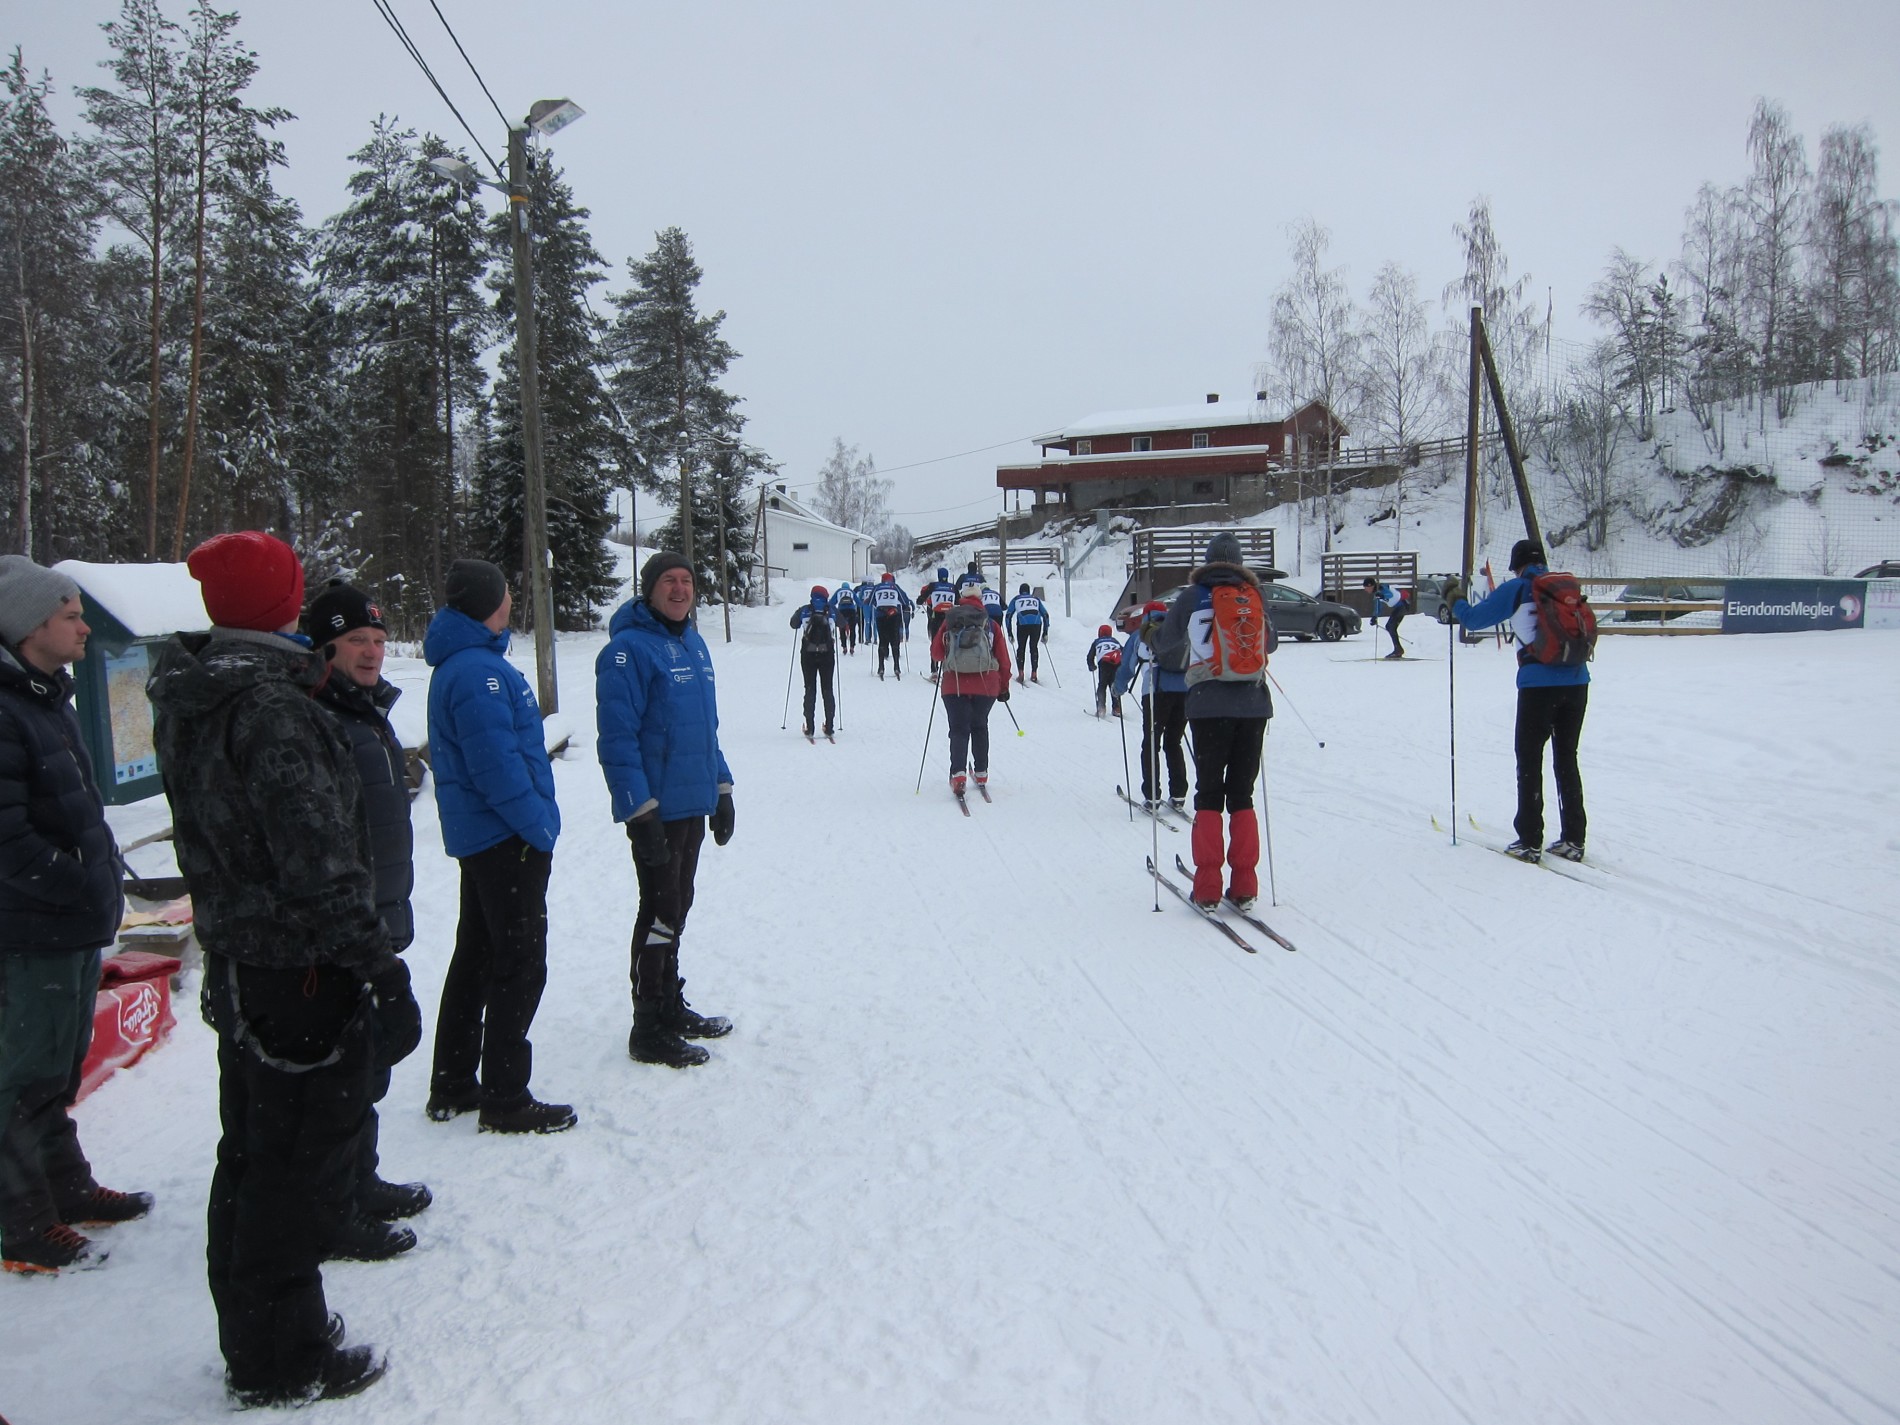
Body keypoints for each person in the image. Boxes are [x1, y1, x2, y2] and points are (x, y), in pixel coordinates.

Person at [149, 531, 411, 1406]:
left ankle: (256, 1335)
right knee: (290, 1166)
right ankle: (283, 1353)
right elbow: (317, 860)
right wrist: (379, 967)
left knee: (254, 1154)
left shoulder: (199, 690)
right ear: (276, 600)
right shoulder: (269, 706)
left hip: (242, 957)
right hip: (297, 969)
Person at [0, 558, 151, 1277]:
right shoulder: (7, 710)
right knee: (22, 1079)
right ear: (30, 626)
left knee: (56, 1073)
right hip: (33, 930)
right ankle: (22, 1224)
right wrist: (77, 884)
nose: (85, 627)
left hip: (69, 924)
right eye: (70, 615)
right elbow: (8, 839)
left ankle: (67, 1187)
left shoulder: (43, 697)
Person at [303, 581, 431, 1263]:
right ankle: (330, 1207)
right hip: (341, 926)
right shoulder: (319, 717)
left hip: (377, 913)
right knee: (338, 1072)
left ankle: (359, 1176)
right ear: (324, 646)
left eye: (379, 641)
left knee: (365, 1064)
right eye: (357, 640)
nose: (372, 652)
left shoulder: (366, 712)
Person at [422, 559, 573, 1134]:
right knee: (519, 962)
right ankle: (505, 1096)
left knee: (478, 955)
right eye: (505, 590)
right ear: (489, 601)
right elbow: (495, 766)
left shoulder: (471, 662)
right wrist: (537, 826)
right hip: (505, 839)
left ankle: (454, 1081)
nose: (512, 598)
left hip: (487, 838)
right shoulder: (477, 672)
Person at [597, 553, 737, 1069]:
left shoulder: (693, 644)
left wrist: (721, 786)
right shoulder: (627, 651)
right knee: (659, 910)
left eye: (687, 581)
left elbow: (705, 728)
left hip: (692, 801)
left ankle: (669, 1002)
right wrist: (639, 811)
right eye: (669, 582)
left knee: (678, 906)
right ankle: (648, 1023)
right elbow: (617, 739)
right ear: (649, 590)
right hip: (657, 808)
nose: (680, 590)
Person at [1153, 532, 1278, 909]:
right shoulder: (1253, 595)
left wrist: (1150, 633)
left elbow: (1165, 643)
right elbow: (1270, 643)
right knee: (1242, 793)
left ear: (1207, 562)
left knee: (1208, 792)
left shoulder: (1192, 596)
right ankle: (1245, 884)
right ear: (1240, 564)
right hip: (1253, 705)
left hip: (1208, 705)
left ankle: (1207, 885)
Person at [1448, 539, 1589, 862]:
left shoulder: (1519, 588)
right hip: (1578, 681)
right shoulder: (1565, 589)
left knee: (1529, 759)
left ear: (1517, 565)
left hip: (1538, 685)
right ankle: (1574, 839)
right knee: (1567, 759)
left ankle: (1529, 840)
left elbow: (1474, 619)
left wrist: (1454, 597)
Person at [928, 593, 1012, 797]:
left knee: (958, 728)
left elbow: (936, 654)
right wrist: (1003, 686)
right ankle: (981, 772)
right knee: (980, 725)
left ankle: (958, 774)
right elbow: (1004, 659)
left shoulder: (950, 621)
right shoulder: (991, 624)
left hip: (954, 683)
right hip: (986, 684)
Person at [1112, 601, 1188, 810]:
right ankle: (1179, 793)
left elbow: (1128, 667)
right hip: (1183, 692)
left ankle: (1152, 794)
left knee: (1151, 743)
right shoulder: (1179, 632)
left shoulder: (1140, 634)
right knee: (1174, 742)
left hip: (1156, 691)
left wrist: (1118, 688)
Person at [788, 585, 837, 737]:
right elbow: (842, 623)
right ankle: (829, 726)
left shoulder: (804, 610)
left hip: (808, 653)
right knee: (827, 688)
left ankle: (810, 727)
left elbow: (793, 624)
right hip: (827, 653)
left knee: (809, 688)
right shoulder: (831, 610)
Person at [867, 571, 912, 680]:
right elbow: (904, 600)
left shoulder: (877, 587)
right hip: (893, 615)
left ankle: (881, 667)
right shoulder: (895, 587)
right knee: (895, 640)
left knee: (882, 640)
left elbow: (870, 601)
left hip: (880, 615)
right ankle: (896, 666)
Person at [918, 567, 958, 678]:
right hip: (949, 618)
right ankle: (947, 669)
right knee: (949, 642)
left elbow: (921, 599)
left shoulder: (933, 586)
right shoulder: (953, 587)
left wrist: (920, 600)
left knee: (935, 642)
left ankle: (934, 670)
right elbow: (958, 601)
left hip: (936, 617)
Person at [1005, 583, 1048, 683]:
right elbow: (1045, 615)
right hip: (1036, 624)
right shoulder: (1036, 599)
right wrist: (1045, 632)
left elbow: (1008, 616)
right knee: (1034, 648)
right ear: (1029, 591)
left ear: (1020, 591)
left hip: (1022, 625)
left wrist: (1009, 632)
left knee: (1021, 648)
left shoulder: (1016, 599)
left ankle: (1021, 673)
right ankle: (1034, 673)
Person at [1363, 576, 1411, 659]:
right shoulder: (1377, 594)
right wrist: (1374, 617)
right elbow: (1378, 607)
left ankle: (1398, 650)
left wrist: (1382, 595)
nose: (1365, 590)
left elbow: (1390, 594)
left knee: (1391, 626)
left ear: (1370, 586)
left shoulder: (1382, 587)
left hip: (1402, 605)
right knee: (1389, 627)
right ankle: (1398, 649)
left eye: (1366, 588)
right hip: (1398, 607)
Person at [1086, 623, 1123, 717]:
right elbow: (1123, 651)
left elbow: (1090, 656)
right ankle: (1117, 708)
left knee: (1102, 685)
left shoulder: (1097, 641)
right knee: (1114, 684)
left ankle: (1101, 708)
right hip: (1117, 662)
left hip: (1104, 663)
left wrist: (1091, 666)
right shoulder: (1115, 641)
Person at [828, 579, 859, 655]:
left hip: (841, 611)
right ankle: (852, 647)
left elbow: (831, 603)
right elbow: (858, 602)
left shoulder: (839, 591)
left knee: (842, 629)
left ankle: (844, 647)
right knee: (852, 629)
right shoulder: (851, 591)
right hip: (851, 610)